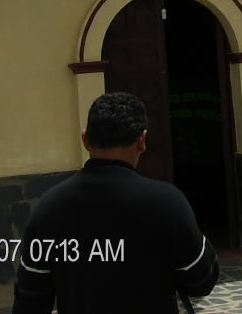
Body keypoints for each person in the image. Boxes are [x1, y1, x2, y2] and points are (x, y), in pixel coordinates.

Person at [12, 92, 219, 314]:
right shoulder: (168, 203)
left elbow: (30, 300)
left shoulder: (49, 208)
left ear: (85, 139)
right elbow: (201, 280)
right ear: (142, 141)